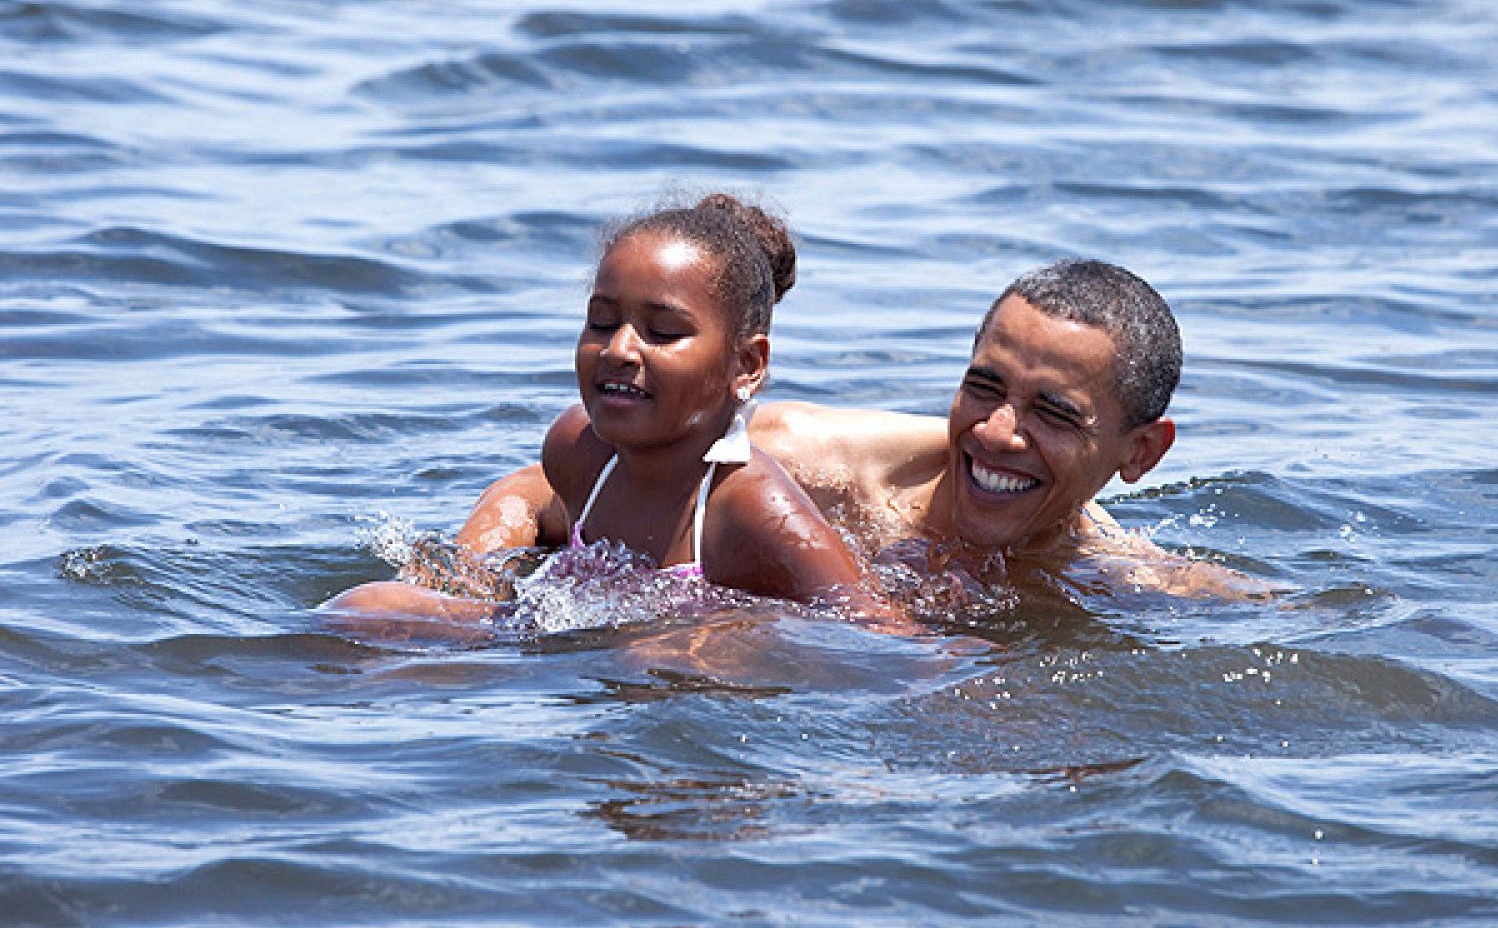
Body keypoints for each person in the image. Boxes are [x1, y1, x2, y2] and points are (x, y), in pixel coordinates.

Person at [450, 256, 1248, 603]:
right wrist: (469, 592)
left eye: (1054, 414)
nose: (998, 433)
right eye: (983, 387)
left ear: (1141, 452)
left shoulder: (1117, 573)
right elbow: (538, 491)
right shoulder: (807, 465)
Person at [325, 193, 885, 637]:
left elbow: (881, 632)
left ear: (746, 364)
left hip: (689, 696)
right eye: (600, 321)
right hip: (582, 686)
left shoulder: (750, 507)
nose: (618, 349)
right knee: (359, 610)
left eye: (662, 332)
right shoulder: (580, 451)